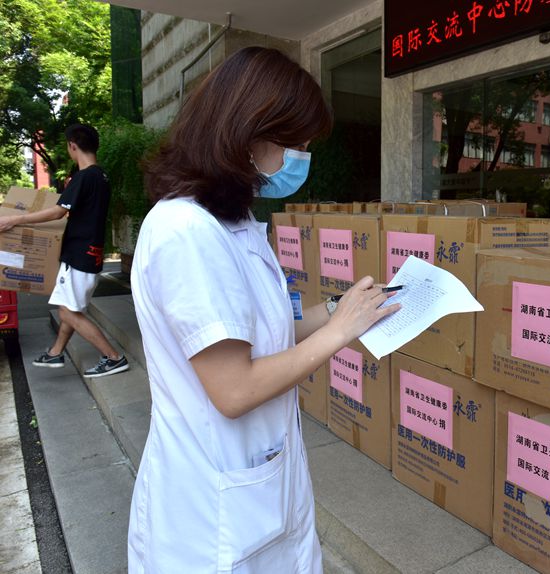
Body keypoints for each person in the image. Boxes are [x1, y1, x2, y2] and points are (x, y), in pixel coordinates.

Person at [127, 47, 400, 572]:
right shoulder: (186, 232)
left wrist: (345, 307)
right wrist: (341, 331)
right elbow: (235, 389)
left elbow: (271, 332)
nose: (302, 157)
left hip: (261, 488)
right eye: (297, 143)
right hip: (211, 517)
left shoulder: (235, 224)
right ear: (248, 133)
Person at [0, 124, 128, 378]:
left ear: (72, 145)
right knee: (72, 309)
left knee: (66, 311)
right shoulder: (101, 177)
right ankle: (56, 351)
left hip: (79, 256)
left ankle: (114, 357)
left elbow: (59, 211)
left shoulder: (84, 177)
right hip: (90, 254)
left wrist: (15, 220)